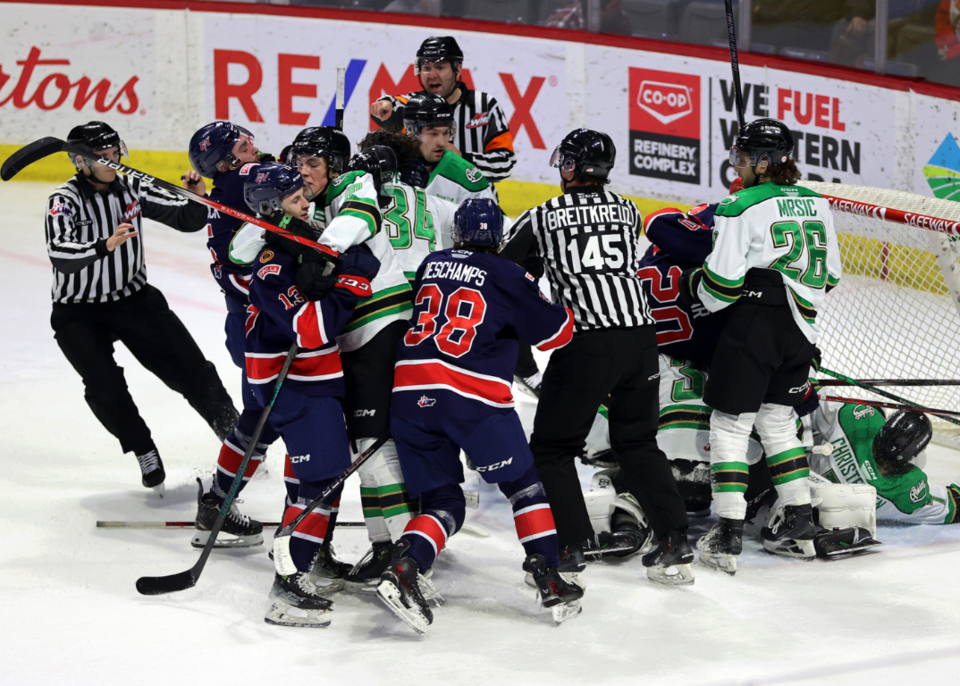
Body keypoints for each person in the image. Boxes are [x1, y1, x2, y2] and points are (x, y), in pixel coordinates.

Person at [500, 128, 694, 586]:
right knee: (638, 443)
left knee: (551, 449)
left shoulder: (543, 215)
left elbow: (506, 276)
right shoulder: (628, 211)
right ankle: (674, 540)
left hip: (586, 342)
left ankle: (568, 547)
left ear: (569, 167)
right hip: (640, 341)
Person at [378, 198, 582, 634]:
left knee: (444, 502)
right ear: (500, 236)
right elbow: (557, 334)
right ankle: (548, 577)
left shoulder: (433, 262)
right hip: (471, 397)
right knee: (525, 488)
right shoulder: (507, 272)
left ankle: (406, 567)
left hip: (410, 393)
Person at [233, 131, 416, 590]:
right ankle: (313, 556)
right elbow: (241, 253)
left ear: (335, 167)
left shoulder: (353, 185)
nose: (304, 174)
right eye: (297, 168)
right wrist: (272, 219)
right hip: (317, 356)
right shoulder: (289, 232)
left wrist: (322, 256)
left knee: (367, 450)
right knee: (333, 462)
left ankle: (394, 549)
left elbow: (351, 227)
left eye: (312, 165)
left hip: (373, 328)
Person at [683, 118, 842, 575]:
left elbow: (720, 287)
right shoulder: (818, 203)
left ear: (766, 162)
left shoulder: (739, 207)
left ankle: (728, 532)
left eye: (746, 157)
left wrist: (697, 283)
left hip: (756, 325)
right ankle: (798, 517)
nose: (739, 164)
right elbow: (830, 277)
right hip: (802, 331)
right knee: (777, 421)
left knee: (730, 426)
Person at [46, 121, 237, 493]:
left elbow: (184, 220)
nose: (112, 161)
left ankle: (235, 438)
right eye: (102, 157)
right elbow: (59, 254)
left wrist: (194, 198)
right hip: (77, 312)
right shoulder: (63, 200)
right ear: (80, 162)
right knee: (105, 387)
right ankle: (142, 447)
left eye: (114, 153)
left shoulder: (132, 185)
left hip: (133, 300)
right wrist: (105, 245)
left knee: (193, 369)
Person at [240, 162, 380, 627]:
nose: (309, 205)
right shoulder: (271, 267)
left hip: (310, 380)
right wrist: (349, 284)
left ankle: (300, 559)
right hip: (293, 383)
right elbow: (312, 329)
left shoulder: (298, 247)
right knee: (322, 479)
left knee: (310, 482)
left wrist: (324, 267)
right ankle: (288, 584)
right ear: (271, 211)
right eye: (297, 200)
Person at [189, 120, 282, 547]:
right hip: (261, 324)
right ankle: (217, 503)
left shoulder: (230, 187)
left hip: (250, 322)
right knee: (266, 419)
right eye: (245, 144)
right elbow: (284, 177)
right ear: (227, 160)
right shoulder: (242, 180)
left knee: (262, 421)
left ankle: (217, 501)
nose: (254, 146)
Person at [370, 36, 517, 183]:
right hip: (426, 202)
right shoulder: (414, 106)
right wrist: (386, 103)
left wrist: (462, 159)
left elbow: (506, 163)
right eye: (427, 68)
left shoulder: (484, 105)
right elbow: (394, 104)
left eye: (440, 67)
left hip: (474, 199)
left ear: (458, 69)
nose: (432, 75)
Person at [811, 403, 960, 524]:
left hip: (795, 476)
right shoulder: (905, 491)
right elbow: (954, 505)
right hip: (816, 509)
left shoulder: (854, 418)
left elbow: (805, 395)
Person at [355, 128, 459, 278]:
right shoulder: (431, 202)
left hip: (382, 285)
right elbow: (502, 227)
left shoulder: (357, 200)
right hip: (428, 283)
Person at [399, 92, 500, 208]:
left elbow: (488, 222)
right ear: (412, 132)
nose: (441, 142)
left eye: (446, 133)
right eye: (433, 134)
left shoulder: (467, 179)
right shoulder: (391, 168)